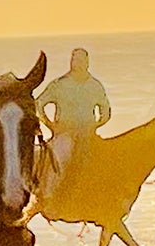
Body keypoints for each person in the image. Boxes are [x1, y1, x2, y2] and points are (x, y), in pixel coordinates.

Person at [37, 48, 112, 180]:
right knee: (60, 164)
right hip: (64, 135)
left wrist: (95, 125)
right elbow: (38, 104)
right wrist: (50, 125)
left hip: (88, 136)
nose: (77, 63)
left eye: (80, 60)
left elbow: (105, 111)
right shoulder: (60, 85)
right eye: (74, 59)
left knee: (104, 165)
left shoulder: (95, 86)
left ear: (87, 63)